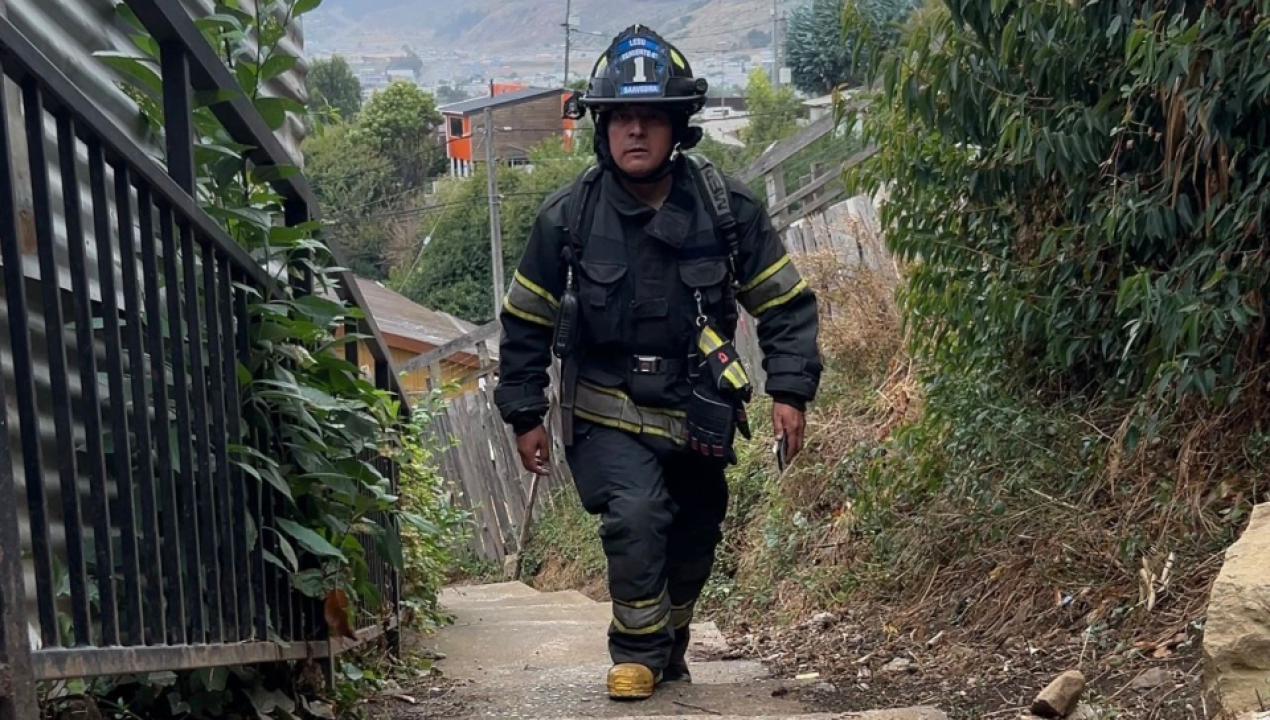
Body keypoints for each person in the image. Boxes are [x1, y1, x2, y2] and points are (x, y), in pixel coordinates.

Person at [494, 24, 821, 701]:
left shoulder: (727, 211)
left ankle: (670, 643)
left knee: (696, 534)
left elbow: (785, 306)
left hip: (698, 411)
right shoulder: (567, 219)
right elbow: (526, 320)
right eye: (621, 118)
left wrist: (790, 391)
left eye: (651, 117)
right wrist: (524, 412)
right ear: (602, 127)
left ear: (678, 126)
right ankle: (636, 654)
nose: (635, 131)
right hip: (606, 411)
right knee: (637, 514)